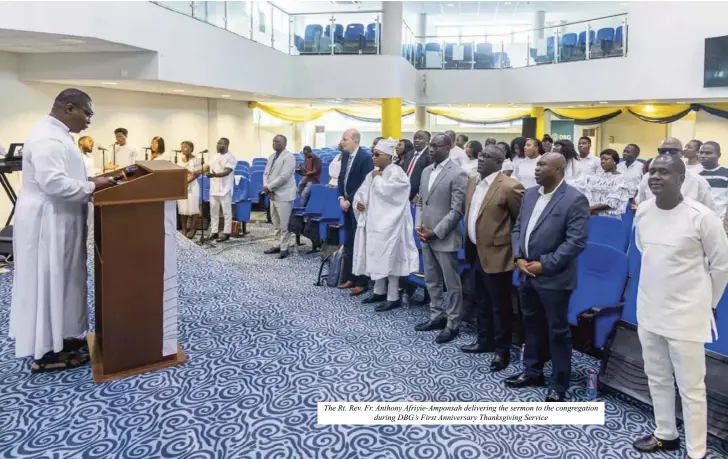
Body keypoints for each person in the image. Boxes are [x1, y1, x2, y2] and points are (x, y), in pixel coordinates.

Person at [9, 88, 118, 372]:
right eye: (88, 113)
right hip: (48, 222)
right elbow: (53, 183)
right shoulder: (47, 137)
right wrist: (92, 186)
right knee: (50, 280)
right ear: (70, 108)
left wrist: (90, 180)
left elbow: (67, 176)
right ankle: (46, 352)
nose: (89, 121)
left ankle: (65, 338)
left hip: (61, 219)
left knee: (65, 280)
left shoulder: (58, 135)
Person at [632, 154, 728, 459]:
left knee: (691, 388)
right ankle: (666, 435)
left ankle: (695, 452)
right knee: (657, 377)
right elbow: (645, 252)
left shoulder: (702, 217)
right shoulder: (644, 211)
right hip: (649, 309)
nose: (656, 176)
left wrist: (707, 304)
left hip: (687, 316)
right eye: (653, 171)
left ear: (682, 179)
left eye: (665, 172)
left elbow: (722, 266)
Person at [507, 153, 590, 402]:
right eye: (537, 164)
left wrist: (545, 265)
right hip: (527, 272)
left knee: (557, 331)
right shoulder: (531, 194)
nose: (537, 168)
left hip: (554, 277)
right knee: (531, 324)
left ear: (558, 169)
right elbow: (518, 227)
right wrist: (519, 257)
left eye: (542, 165)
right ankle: (532, 371)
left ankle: (559, 383)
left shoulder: (575, 199)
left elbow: (575, 242)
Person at [462, 145, 524, 372]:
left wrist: (516, 253)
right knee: (480, 298)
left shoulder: (511, 186)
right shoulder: (473, 181)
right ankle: (483, 340)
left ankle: (502, 351)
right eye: (480, 155)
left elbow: (520, 222)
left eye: (486, 157)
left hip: (498, 254)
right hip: (474, 250)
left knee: (500, 305)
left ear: (499, 163)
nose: (480, 159)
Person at [353, 139, 419, 312]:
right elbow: (362, 192)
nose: (373, 158)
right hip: (375, 224)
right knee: (377, 257)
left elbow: (393, 195)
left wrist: (378, 180)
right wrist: (359, 203)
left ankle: (393, 297)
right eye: (372, 154)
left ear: (389, 156)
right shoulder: (373, 173)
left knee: (391, 260)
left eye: (377, 154)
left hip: (392, 225)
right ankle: (379, 291)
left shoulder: (397, 173)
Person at [414, 133, 468, 344]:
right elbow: (420, 201)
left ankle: (453, 322)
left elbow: (457, 211)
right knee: (432, 279)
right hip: (425, 234)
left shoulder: (458, 173)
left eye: (435, 146)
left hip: (444, 237)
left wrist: (435, 232)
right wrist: (419, 227)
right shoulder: (427, 171)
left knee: (451, 283)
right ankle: (436, 315)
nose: (431, 149)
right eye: (430, 146)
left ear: (448, 147)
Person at [337, 129, 374, 296]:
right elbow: (340, 179)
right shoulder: (345, 156)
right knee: (349, 242)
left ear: (355, 141)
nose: (342, 142)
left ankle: (362, 281)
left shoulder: (365, 158)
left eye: (345, 139)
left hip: (358, 206)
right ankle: (351, 277)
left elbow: (364, 185)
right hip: (345, 205)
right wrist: (340, 198)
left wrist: (349, 200)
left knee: (360, 244)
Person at [635, 138, 715, 212]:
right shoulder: (648, 178)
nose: (667, 154)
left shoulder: (697, 181)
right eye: (662, 151)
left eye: (672, 151)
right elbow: (642, 204)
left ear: (682, 153)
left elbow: (709, 211)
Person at [263, 135, 296, 259]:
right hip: (272, 194)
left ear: (284, 143)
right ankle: (276, 244)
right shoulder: (271, 157)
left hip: (284, 194)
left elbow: (284, 176)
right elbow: (265, 173)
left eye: (277, 141)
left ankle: (284, 248)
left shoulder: (289, 157)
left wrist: (269, 187)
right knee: (275, 221)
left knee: (284, 223)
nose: (274, 143)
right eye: (273, 141)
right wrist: (266, 187)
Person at [203, 138, 237, 242]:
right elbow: (206, 166)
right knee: (213, 211)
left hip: (225, 189)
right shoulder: (214, 156)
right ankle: (214, 231)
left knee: (226, 212)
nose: (217, 145)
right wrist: (199, 171)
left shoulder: (231, 158)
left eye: (219, 143)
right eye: (217, 143)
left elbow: (226, 172)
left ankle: (226, 233)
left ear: (225, 145)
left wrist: (213, 175)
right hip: (214, 188)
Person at [583, 149, 630, 219]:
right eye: (601, 159)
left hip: (609, 218)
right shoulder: (596, 177)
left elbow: (612, 202)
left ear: (614, 161)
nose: (603, 161)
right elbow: (588, 193)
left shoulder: (620, 179)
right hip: (592, 215)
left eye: (606, 159)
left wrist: (591, 208)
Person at [177, 141, 201, 239]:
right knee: (182, 208)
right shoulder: (179, 160)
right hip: (182, 186)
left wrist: (187, 181)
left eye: (186, 147)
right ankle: (184, 229)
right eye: (182, 147)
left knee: (193, 208)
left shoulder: (197, 160)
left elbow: (197, 174)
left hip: (193, 186)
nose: (183, 149)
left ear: (191, 148)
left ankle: (192, 229)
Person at [698, 141, 728, 220]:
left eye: (708, 153)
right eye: (701, 153)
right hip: (698, 221)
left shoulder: (726, 173)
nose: (703, 156)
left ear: (719, 155)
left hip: (720, 221)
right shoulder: (694, 174)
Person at [403, 130, 431, 204]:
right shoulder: (409, 154)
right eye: (415, 138)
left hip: (417, 195)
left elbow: (429, 178)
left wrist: (419, 194)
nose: (417, 140)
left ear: (427, 141)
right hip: (404, 192)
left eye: (420, 138)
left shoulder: (430, 156)